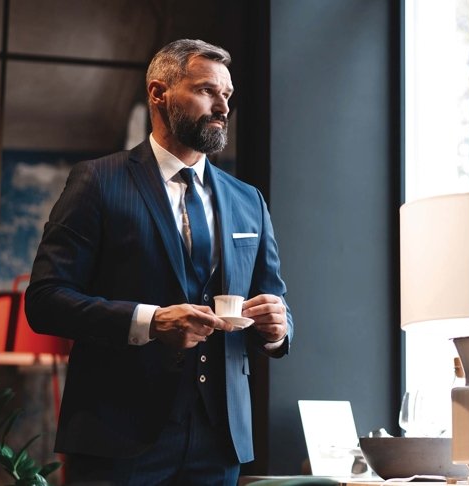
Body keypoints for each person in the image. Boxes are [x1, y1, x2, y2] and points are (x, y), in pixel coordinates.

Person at [25, 38, 293, 485]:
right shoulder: (97, 181)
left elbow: (276, 300)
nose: (222, 107)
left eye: (227, 95)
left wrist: (278, 328)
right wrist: (150, 321)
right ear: (158, 93)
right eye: (207, 91)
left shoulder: (249, 201)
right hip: (117, 438)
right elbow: (45, 300)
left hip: (218, 441)